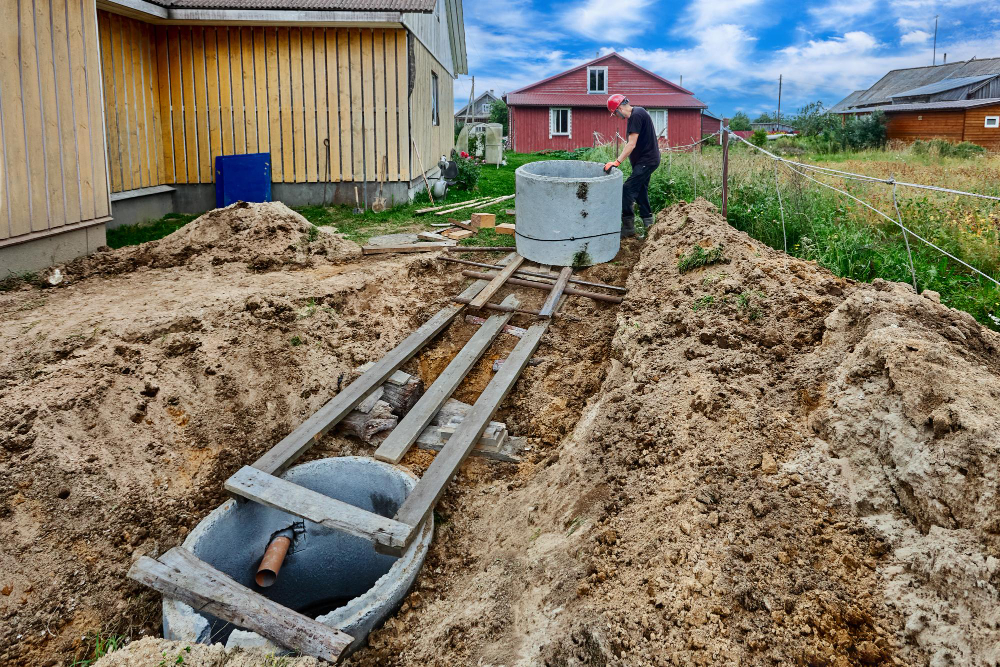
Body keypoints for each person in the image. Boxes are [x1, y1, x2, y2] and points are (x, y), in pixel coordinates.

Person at [603, 94, 660, 238]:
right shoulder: (638, 113)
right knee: (641, 191)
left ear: (619, 108)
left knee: (627, 189)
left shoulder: (636, 115)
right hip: (646, 161)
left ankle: (628, 227)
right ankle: (649, 227)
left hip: (647, 161)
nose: (617, 117)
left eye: (615, 113)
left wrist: (617, 162)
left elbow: (631, 144)